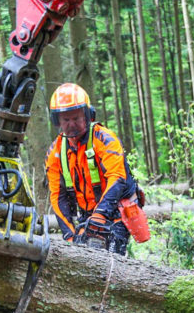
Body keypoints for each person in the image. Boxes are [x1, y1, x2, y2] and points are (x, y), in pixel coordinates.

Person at [45, 83, 139, 255]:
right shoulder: (55, 152)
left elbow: (117, 177)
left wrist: (101, 214)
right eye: (66, 120)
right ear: (58, 120)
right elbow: (57, 196)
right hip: (87, 214)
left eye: (76, 118)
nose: (71, 124)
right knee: (81, 251)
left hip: (118, 208)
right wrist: (68, 234)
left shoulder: (104, 138)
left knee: (112, 254)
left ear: (87, 116)